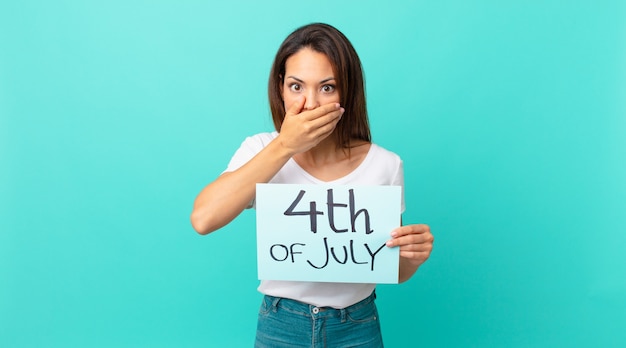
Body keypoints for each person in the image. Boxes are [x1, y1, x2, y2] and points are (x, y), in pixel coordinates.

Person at [191, 23, 434, 347]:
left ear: (347, 91)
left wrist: (412, 258)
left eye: (327, 87)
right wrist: (285, 146)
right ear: (280, 88)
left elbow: (392, 270)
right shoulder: (260, 149)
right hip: (281, 324)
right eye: (296, 86)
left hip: (357, 326)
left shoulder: (385, 164)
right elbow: (204, 219)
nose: (310, 103)